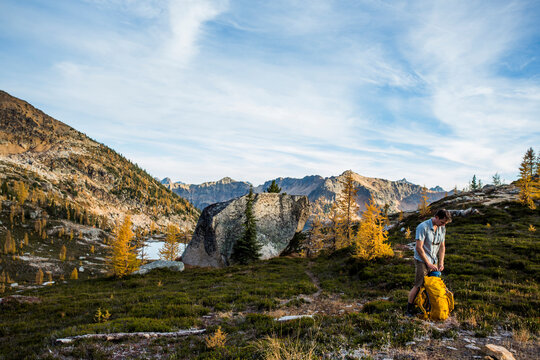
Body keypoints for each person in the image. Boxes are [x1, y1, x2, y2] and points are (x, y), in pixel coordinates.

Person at [406, 209, 452, 316]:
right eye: (442, 222)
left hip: (433, 260)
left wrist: (441, 262)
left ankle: (427, 306)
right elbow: (419, 247)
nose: (443, 225)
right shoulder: (423, 227)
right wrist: (428, 263)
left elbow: (442, 246)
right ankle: (409, 309)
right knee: (419, 284)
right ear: (436, 217)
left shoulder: (442, 228)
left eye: (445, 223)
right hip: (422, 260)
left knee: (433, 285)